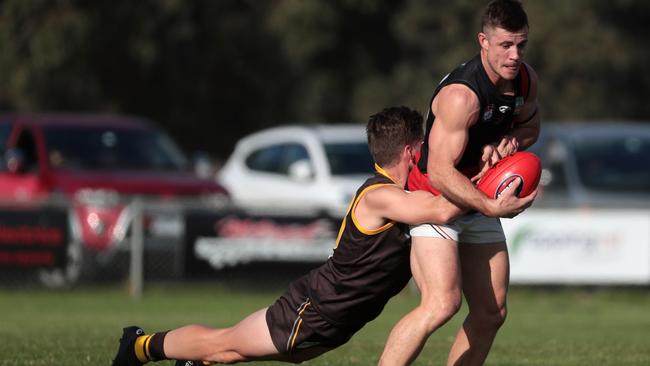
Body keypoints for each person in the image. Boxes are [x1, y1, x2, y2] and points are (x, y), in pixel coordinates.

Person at [111, 106, 533, 366]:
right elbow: (443, 209)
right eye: (423, 147)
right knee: (225, 346)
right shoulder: (380, 195)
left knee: (242, 351)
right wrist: (487, 183)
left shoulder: (399, 191)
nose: (429, 155)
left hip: (335, 320)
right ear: (410, 151)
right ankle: (141, 345)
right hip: (313, 309)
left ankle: (192, 360)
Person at [379, 1, 540, 365]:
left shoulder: (526, 80)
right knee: (441, 304)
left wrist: (511, 142)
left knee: (491, 312)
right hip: (435, 198)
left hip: (477, 194)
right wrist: (489, 206)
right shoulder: (461, 96)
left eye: (521, 45)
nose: (515, 56)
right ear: (483, 41)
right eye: (505, 45)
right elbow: (439, 171)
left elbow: (532, 127)